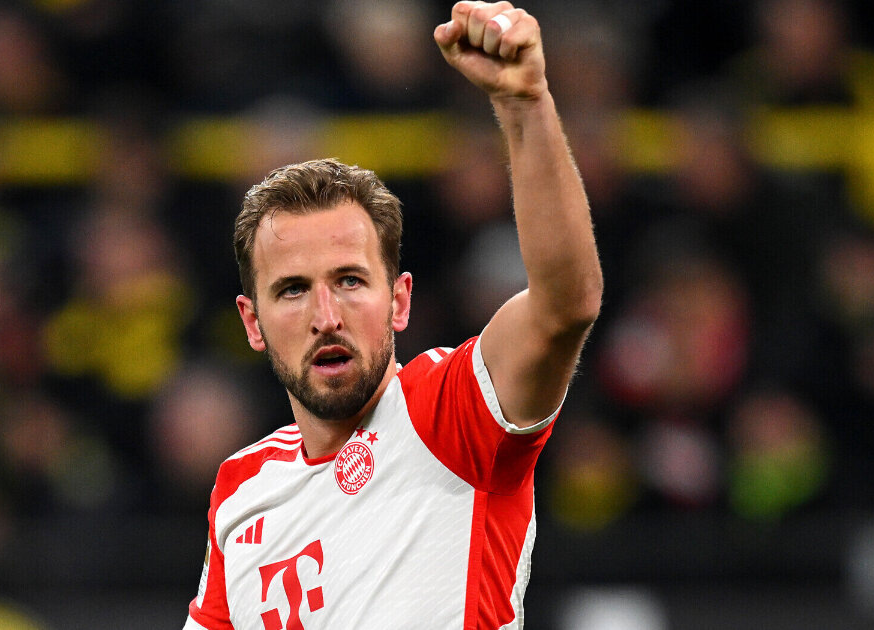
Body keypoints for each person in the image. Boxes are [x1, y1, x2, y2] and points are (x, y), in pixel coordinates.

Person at [183, 2, 602, 628]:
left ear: (400, 300)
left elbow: (565, 305)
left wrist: (525, 105)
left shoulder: (451, 414)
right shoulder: (241, 490)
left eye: (350, 281)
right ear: (252, 323)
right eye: (292, 290)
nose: (326, 315)